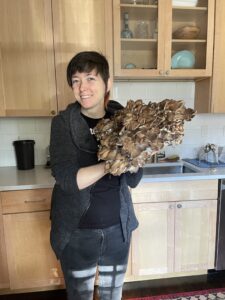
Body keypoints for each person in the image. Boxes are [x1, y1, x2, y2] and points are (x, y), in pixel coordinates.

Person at [49, 51, 143, 300]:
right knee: (80, 296)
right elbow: (68, 181)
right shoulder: (62, 124)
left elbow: (133, 179)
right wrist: (112, 162)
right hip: (77, 233)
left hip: (118, 230)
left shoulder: (124, 121)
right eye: (76, 80)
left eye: (90, 78)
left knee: (113, 295)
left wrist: (136, 157)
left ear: (107, 83)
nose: (83, 87)